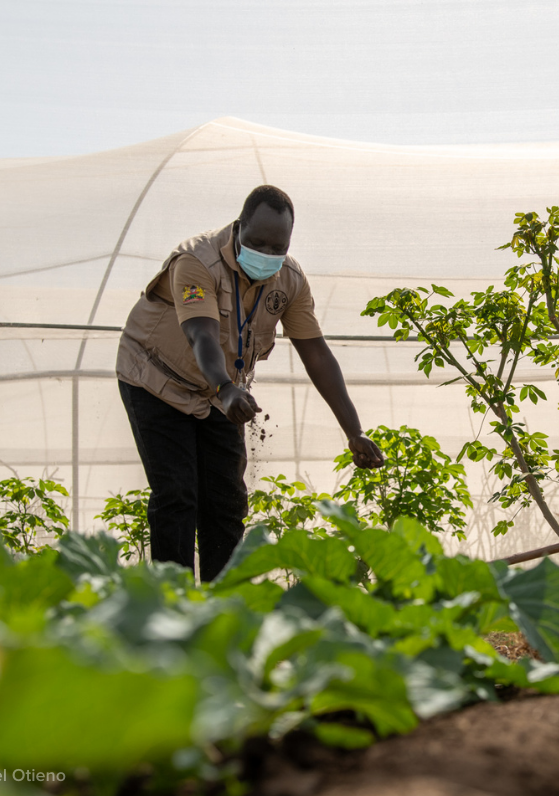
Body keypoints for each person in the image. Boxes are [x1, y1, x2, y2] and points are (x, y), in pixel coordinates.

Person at [116, 185, 384, 580]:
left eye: (278, 247)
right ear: (239, 227)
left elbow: (316, 354)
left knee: (226, 502)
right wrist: (226, 390)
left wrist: (354, 431)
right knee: (177, 494)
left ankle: (222, 606)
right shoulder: (196, 262)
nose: (267, 254)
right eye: (257, 242)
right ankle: (170, 609)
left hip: (220, 393)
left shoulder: (289, 281)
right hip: (157, 380)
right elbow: (202, 335)